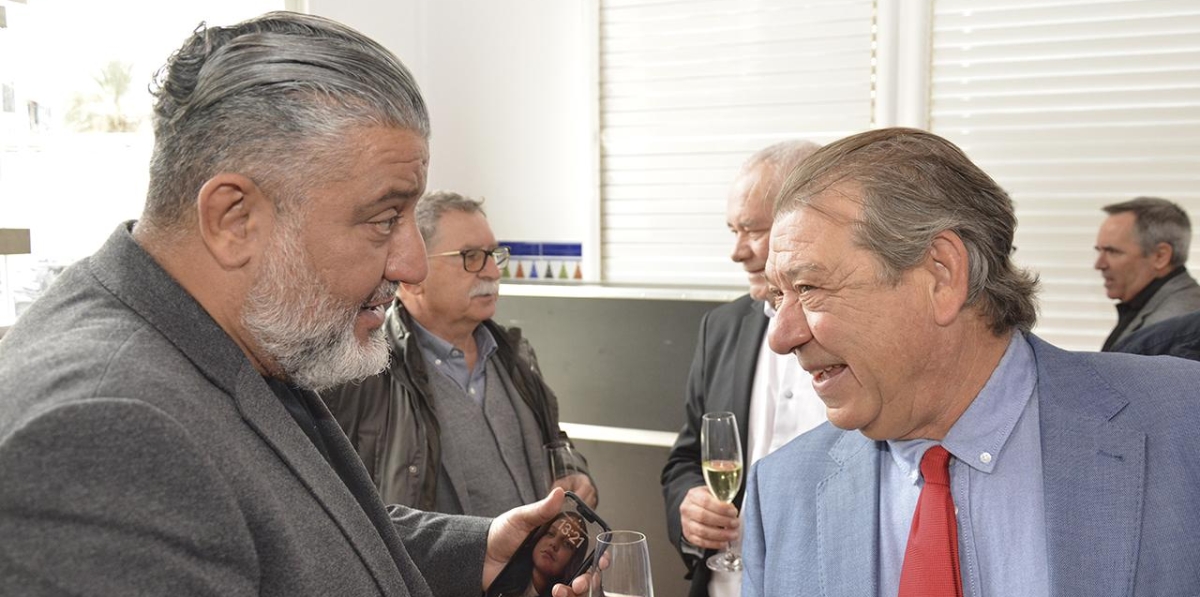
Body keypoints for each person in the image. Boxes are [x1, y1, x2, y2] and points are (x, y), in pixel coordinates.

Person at [0, 12, 588, 597]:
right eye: (384, 219)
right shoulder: (103, 433)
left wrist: (475, 554)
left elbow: (295, 526)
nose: (410, 264)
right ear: (235, 219)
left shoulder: (249, 333)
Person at [741, 127, 1200, 597]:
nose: (781, 336)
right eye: (779, 296)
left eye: (810, 288)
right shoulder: (781, 494)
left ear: (942, 273)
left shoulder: (1184, 423)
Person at [323, 191, 596, 515]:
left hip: (537, 564)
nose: (493, 273)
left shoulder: (515, 355)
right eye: (471, 256)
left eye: (493, 255)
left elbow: (553, 438)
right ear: (412, 277)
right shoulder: (367, 372)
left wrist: (569, 467)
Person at [660, 140, 825, 597]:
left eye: (753, 229)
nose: (737, 251)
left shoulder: (863, 335)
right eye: (733, 230)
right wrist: (688, 506)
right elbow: (685, 460)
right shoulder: (721, 327)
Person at [1094, 196, 1200, 350]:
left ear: (1160, 256)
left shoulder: (1176, 322)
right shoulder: (1151, 305)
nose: (1099, 264)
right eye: (1099, 251)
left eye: (1112, 251)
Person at [492, 512, 591, 597]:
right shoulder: (502, 568)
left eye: (567, 544)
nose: (553, 544)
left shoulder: (564, 592)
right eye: (550, 533)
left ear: (574, 560)